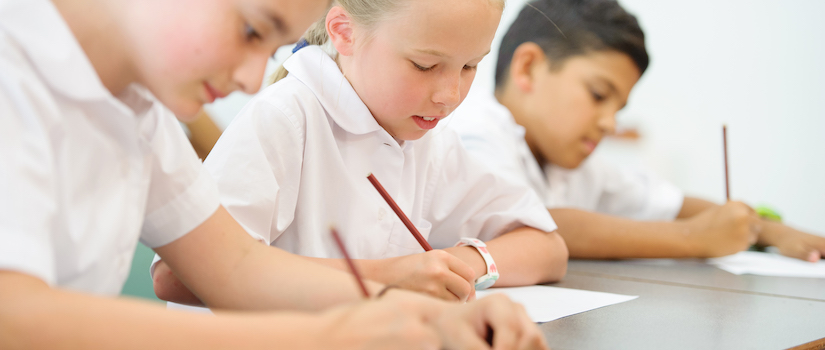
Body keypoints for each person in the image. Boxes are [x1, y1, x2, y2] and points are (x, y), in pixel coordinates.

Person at [0, 0, 549, 348]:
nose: (249, 78)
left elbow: (236, 265)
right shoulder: (14, 73)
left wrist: (409, 317)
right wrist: (333, 332)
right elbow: (14, 317)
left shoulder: (139, 107)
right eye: (250, 28)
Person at [153, 0, 568, 307]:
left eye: (469, 66)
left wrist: (459, 265)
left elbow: (547, 249)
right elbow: (177, 278)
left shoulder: (429, 138)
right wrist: (388, 279)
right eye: (424, 66)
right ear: (344, 32)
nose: (449, 96)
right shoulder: (286, 116)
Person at [448, 0, 825, 261]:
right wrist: (696, 239)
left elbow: (671, 204)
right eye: (599, 94)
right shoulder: (473, 130)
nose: (611, 123)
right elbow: (538, 222)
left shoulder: (571, 162)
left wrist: (772, 232)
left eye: (619, 108)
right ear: (527, 68)